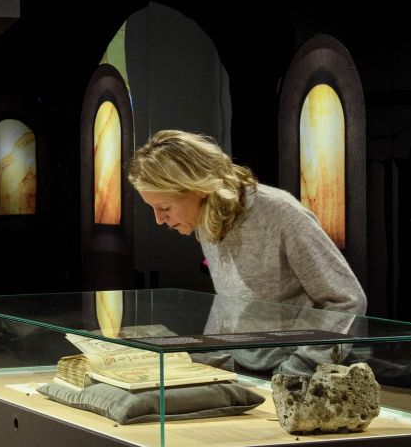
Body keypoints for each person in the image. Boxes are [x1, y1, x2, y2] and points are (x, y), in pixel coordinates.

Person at [127, 130, 365, 375]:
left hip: (294, 372)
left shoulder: (281, 213)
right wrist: (207, 360)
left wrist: (302, 363)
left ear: (199, 187)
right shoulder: (208, 217)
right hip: (243, 367)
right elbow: (230, 302)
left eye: (164, 207)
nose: (158, 220)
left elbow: (347, 300)